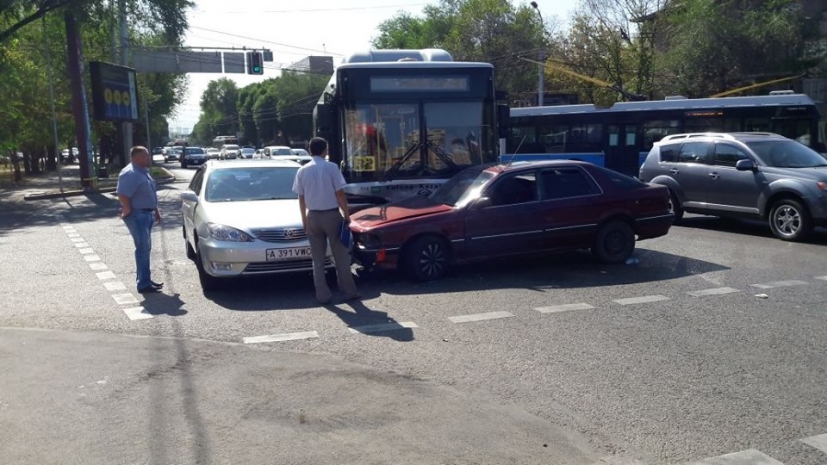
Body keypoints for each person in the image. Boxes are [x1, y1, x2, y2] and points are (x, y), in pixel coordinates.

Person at [292, 137, 360, 304]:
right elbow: (339, 193)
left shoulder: (302, 170)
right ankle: (348, 291)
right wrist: (346, 213)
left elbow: (301, 198)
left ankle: (322, 295)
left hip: (313, 216)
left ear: (309, 150)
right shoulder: (332, 167)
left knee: (317, 259)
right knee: (340, 256)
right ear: (325, 150)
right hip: (331, 215)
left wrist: (304, 219)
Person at [116, 145, 163, 294]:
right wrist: (127, 208)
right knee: (142, 249)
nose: (148, 158)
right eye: (145, 156)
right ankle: (143, 284)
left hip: (147, 214)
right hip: (137, 215)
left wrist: (155, 210)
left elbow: (148, 193)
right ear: (136, 158)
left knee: (145, 249)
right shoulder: (130, 173)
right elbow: (122, 193)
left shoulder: (142, 172)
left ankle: (146, 279)